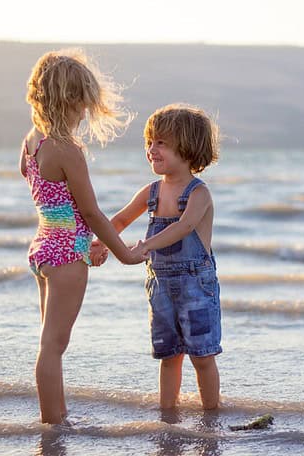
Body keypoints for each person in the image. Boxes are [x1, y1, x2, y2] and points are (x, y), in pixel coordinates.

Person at [19, 48, 147, 424]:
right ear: (71, 101)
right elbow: (90, 212)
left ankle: (55, 417)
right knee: (53, 347)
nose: (84, 115)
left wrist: (76, 237)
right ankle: (54, 424)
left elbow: (38, 188)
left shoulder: (32, 141)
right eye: (83, 106)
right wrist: (124, 253)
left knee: (48, 344)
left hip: (42, 250)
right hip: (65, 260)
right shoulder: (67, 151)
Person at [107, 103, 222, 410]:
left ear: (188, 148)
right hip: (161, 290)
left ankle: (211, 413)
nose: (152, 149)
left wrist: (145, 246)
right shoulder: (152, 192)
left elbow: (184, 228)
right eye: (149, 142)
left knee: (202, 356)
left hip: (196, 288)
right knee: (168, 355)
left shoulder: (199, 193)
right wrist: (102, 242)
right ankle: (167, 414)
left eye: (162, 143)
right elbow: (118, 221)